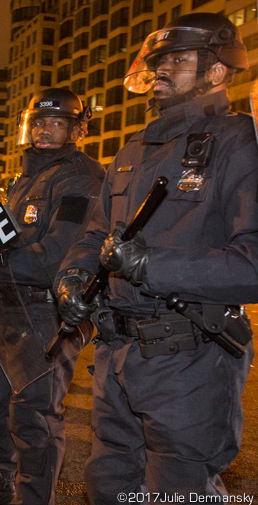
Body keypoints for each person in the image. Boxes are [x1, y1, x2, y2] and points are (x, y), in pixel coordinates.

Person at [57, 13, 258, 501]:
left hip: (190, 358)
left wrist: (153, 266)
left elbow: (251, 263)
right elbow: (97, 235)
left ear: (216, 71)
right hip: (116, 355)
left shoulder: (240, 143)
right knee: (109, 483)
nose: (162, 70)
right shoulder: (133, 150)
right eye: (159, 61)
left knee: (178, 489)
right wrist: (73, 278)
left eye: (178, 60)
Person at [0, 89, 104, 505]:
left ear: (76, 128)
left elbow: (56, 255)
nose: (43, 130)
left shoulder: (82, 177)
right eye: (37, 122)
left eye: (55, 123)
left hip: (46, 312)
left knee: (34, 417)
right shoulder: (26, 177)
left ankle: (35, 499)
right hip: (5, 308)